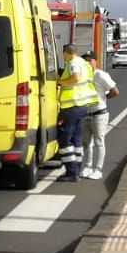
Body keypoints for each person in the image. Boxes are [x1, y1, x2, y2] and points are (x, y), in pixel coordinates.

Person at [56, 41, 95, 181]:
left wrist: (60, 82)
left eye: (64, 54)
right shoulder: (84, 63)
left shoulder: (72, 63)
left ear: (66, 53)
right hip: (81, 106)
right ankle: (77, 170)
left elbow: (75, 78)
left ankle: (71, 172)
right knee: (76, 140)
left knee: (65, 140)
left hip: (70, 107)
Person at [83, 55, 121, 178]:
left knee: (99, 141)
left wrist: (104, 99)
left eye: (90, 60)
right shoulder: (82, 75)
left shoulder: (100, 75)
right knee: (86, 143)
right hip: (85, 113)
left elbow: (115, 91)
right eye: (85, 60)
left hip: (99, 114)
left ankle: (97, 170)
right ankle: (87, 167)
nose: (88, 63)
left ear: (95, 62)